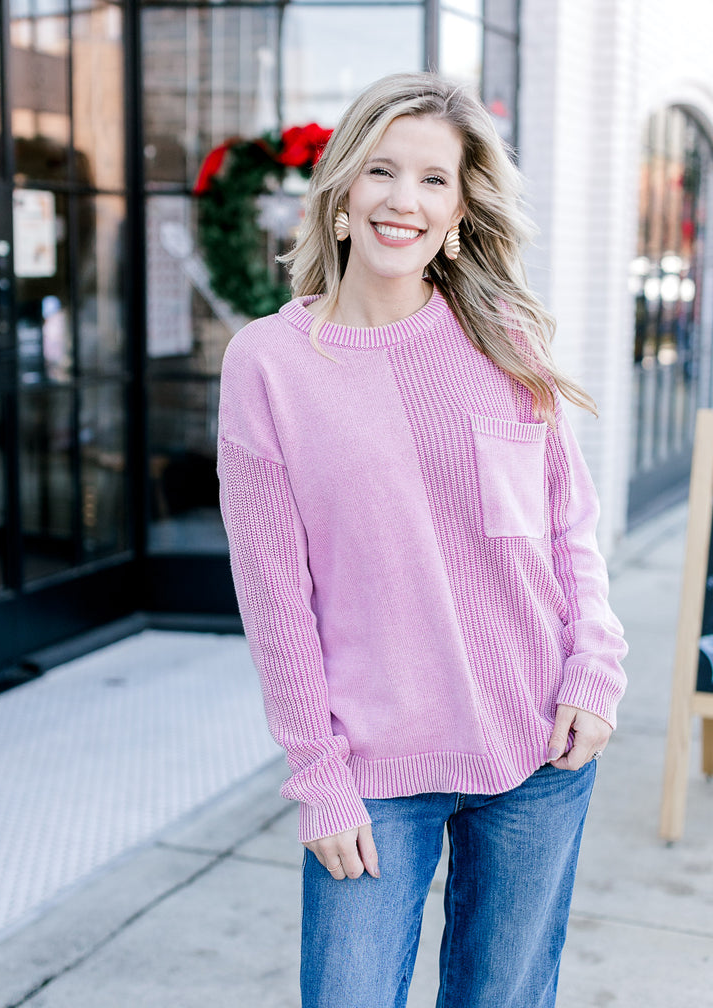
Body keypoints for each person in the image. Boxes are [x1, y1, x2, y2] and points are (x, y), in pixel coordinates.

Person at [217, 71, 627, 1008]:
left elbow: (570, 530)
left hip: (538, 746)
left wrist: (594, 671)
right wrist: (317, 776)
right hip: (373, 771)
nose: (406, 199)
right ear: (343, 194)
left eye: (434, 180)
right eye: (383, 172)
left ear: (458, 211)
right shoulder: (270, 366)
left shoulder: (504, 337)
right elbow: (276, 598)